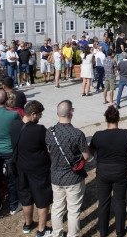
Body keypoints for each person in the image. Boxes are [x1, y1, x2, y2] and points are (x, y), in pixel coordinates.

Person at [46, 100, 90, 237]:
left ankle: (57, 233)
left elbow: (48, 150)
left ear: (57, 113)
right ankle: (73, 235)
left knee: (57, 207)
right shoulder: (77, 134)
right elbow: (86, 156)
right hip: (73, 177)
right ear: (71, 113)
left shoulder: (49, 132)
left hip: (56, 176)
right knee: (73, 209)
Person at [11, 100, 53, 237]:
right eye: (40, 115)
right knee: (42, 199)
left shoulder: (14, 126)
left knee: (25, 197)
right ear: (33, 114)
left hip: (20, 169)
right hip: (38, 170)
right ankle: (41, 230)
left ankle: (28, 224)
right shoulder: (39, 130)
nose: (40, 117)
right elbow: (49, 145)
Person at [89, 106, 127, 237]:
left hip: (104, 170)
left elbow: (92, 151)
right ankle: (120, 231)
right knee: (120, 200)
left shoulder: (98, 135)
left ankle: (103, 231)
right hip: (120, 169)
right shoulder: (125, 134)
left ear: (105, 119)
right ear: (118, 118)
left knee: (103, 201)